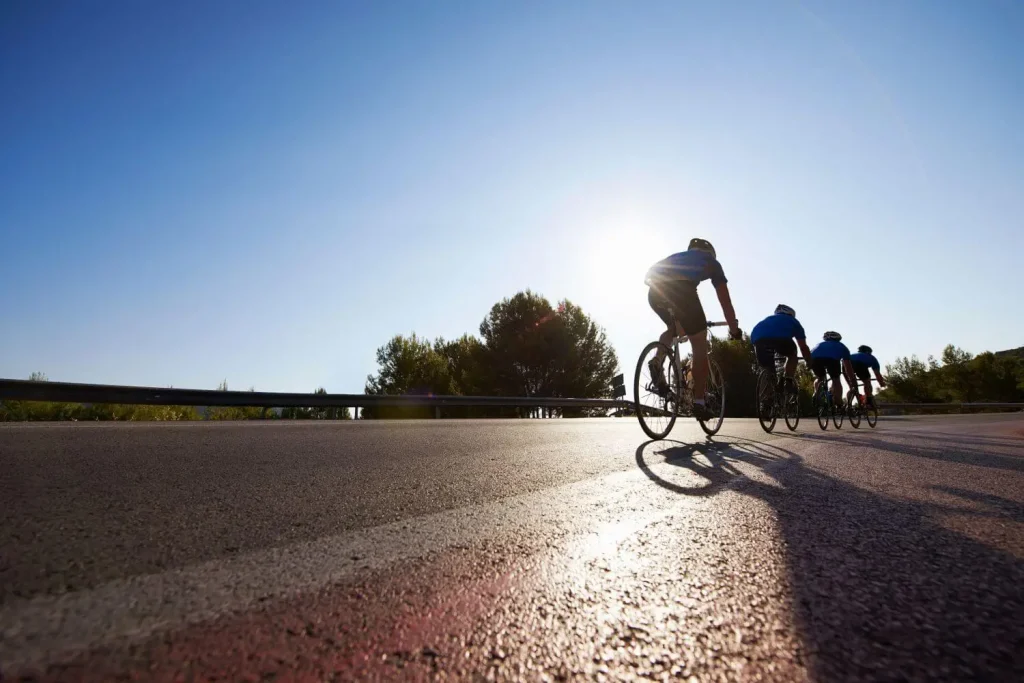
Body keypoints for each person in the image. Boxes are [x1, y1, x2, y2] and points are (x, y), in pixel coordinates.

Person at [644, 238, 742, 420]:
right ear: (710, 253)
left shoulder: (679, 256)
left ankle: (657, 361)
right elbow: (725, 301)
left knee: (674, 330)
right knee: (699, 345)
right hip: (682, 290)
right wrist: (734, 329)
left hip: (654, 289)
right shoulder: (711, 262)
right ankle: (699, 402)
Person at [750, 304, 814, 390]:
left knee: (768, 370)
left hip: (759, 340)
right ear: (791, 314)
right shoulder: (793, 321)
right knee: (792, 355)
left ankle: (766, 397)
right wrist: (808, 361)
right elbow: (803, 347)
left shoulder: (767, 319)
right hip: (781, 340)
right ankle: (788, 380)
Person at [810, 331, 856, 410]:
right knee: (836, 380)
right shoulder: (842, 346)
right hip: (832, 361)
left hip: (814, 359)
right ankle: (838, 403)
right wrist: (852, 379)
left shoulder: (819, 344)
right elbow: (848, 367)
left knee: (819, 377)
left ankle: (816, 393)